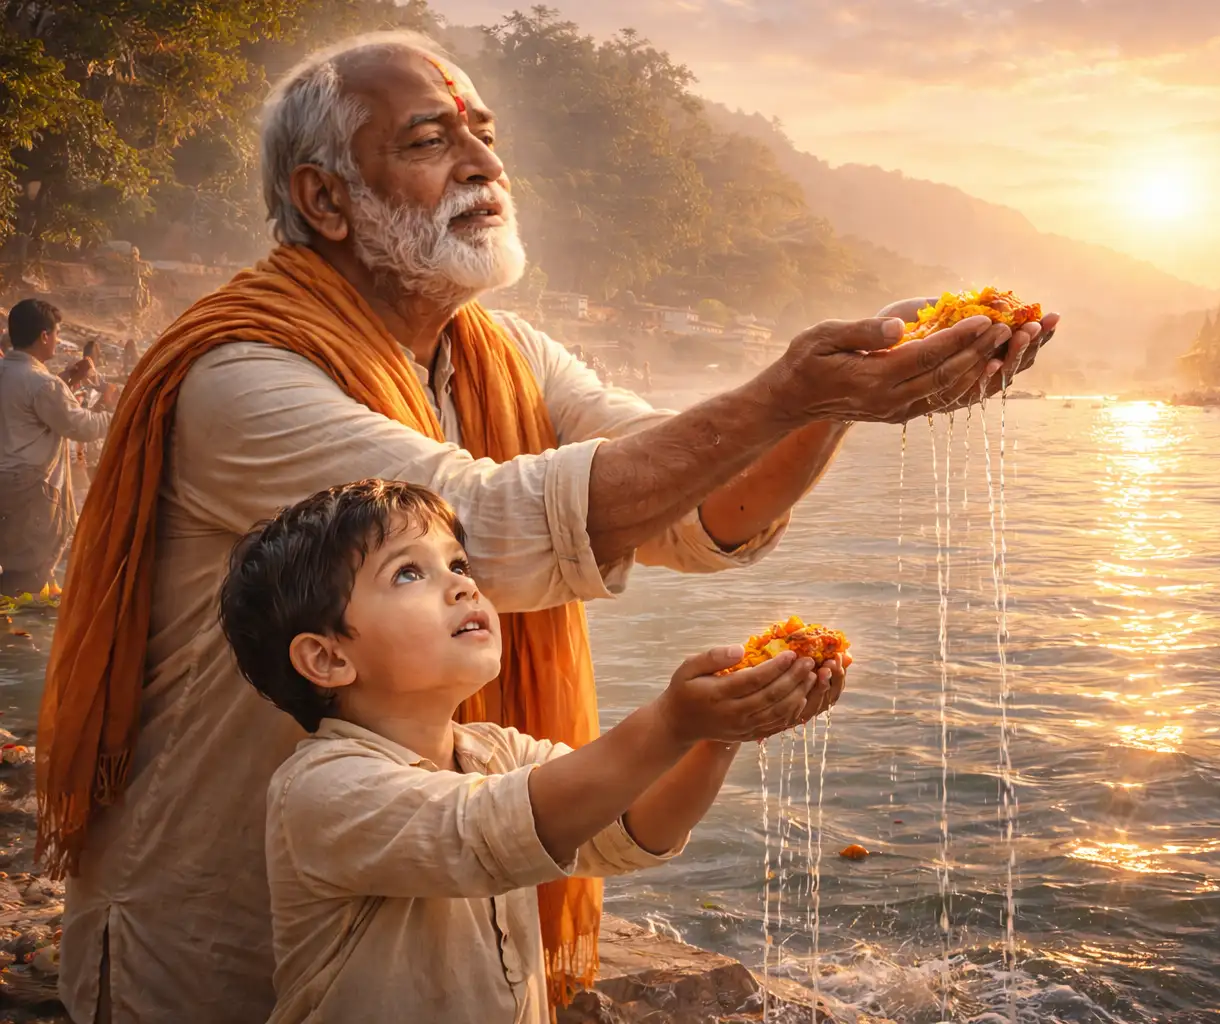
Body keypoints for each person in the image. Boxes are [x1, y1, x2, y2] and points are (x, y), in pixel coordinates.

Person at [37, 31, 1057, 1024]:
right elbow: (493, 529)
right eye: (432, 141)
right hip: (216, 930)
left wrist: (853, 389)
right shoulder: (241, 375)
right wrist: (789, 393)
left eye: (484, 131)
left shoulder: (498, 352)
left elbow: (698, 505)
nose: (484, 162)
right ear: (325, 199)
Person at [220, 479, 824, 1024]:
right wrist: (670, 721)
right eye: (409, 573)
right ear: (328, 658)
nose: (463, 585)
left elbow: (628, 827)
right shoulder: (323, 789)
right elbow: (488, 829)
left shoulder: (495, 751)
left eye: (458, 563)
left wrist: (721, 732)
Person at [0, 300, 117, 595]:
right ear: (43, 336)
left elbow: (30, 403)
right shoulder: (43, 384)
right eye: (56, 333)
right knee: (29, 577)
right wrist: (119, 414)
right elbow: (82, 426)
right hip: (31, 494)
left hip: (6, 487)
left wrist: (68, 380)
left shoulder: (13, 373)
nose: (57, 339)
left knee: (10, 566)